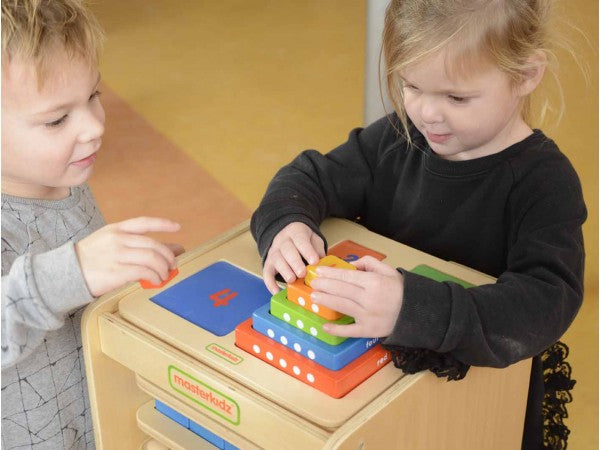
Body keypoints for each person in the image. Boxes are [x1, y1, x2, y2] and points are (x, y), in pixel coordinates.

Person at [250, 1, 586, 448]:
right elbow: (307, 177)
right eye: (411, 86)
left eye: (456, 97)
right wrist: (286, 224)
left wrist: (415, 309)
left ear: (525, 75)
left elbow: (546, 302)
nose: (426, 113)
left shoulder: (544, 181)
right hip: (375, 394)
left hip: (476, 403)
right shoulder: (397, 137)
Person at [1, 1, 184, 447]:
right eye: (57, 119)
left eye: (94, 96)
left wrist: (121, 274)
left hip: (93, 419)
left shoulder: (63, 174)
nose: (93, 126)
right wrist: (74, 271)